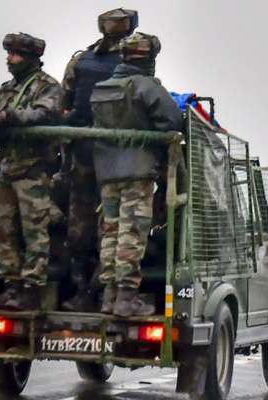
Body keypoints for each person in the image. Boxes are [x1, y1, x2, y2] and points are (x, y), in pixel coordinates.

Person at [90, 32, 183, 317]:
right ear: (150, 59)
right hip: (138, 171)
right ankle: (127, 297)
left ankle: (109, 295)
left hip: (106, 173)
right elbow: (172, 120)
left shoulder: (102, 89)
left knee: (111, 232)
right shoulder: (146, 87)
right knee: (131, 232)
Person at [59, 8, 143, 311]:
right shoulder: (134, 62)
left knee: (81, 226)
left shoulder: (80, 61)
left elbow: (64, 102)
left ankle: (82, 290)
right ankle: (100, 291)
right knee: (112, 226)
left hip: (82, 154)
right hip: (115, 159)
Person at [0, 33, 64, 310]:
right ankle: (12, 286)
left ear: (30, 58)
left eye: (16, 55)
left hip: (34, 170)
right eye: (9, 54)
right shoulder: (8, 87)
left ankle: (32, 288)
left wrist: (12, 117)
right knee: (2, 230)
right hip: (7, 166)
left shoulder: (48, 86)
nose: (10, 59)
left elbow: (44, 115)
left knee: (34, 231)